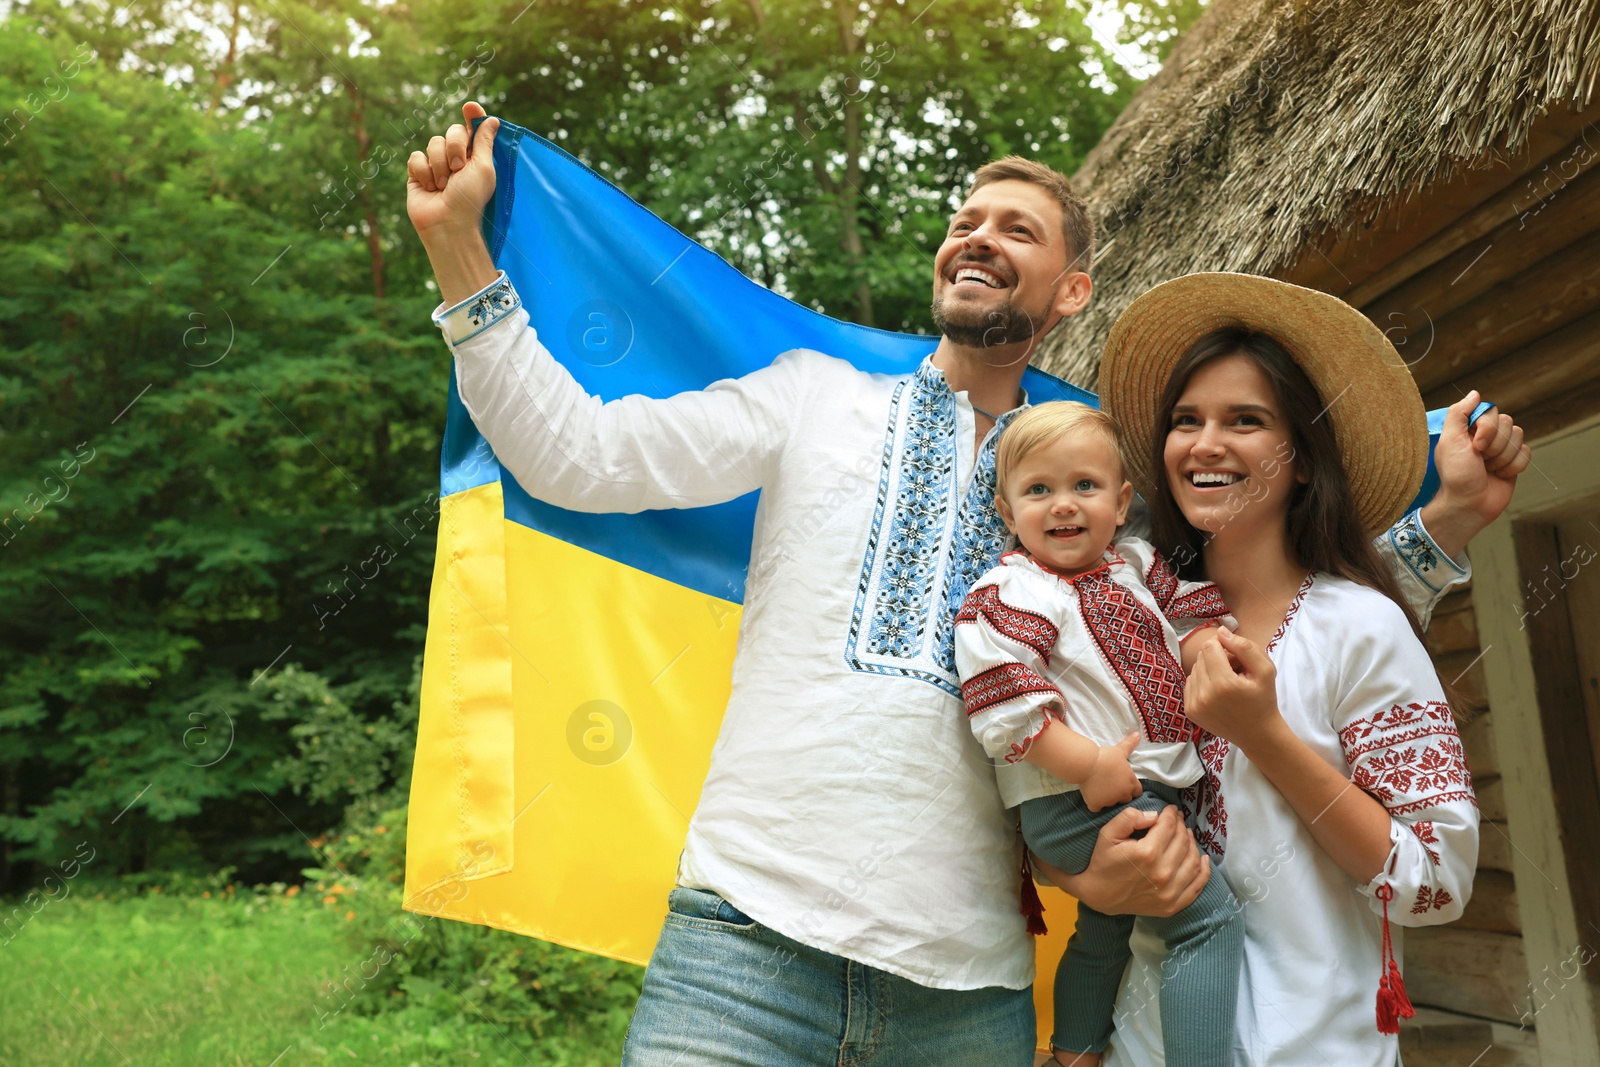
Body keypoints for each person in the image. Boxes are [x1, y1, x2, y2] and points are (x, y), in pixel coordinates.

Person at [404, 101, 1530, 1065]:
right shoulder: (811, 398)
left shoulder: (1108, 482)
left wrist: (1438, 529)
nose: (976, 237)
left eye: (1017, 227)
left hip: (972, 993)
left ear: (1070, 286)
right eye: (963, 221)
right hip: (743, 940)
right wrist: (462, 255)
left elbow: (1264, 624)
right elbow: (580, 457)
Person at [1096, 273, 1499, 1066]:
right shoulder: (1128, 619)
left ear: (1305, 461)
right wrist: (1096, 875)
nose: (1206, 443)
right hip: (1142, 1045)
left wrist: (1265, 735)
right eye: (1187, 420)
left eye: (1245, 420)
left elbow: (1434, 883)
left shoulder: (1361, 627)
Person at [954, 401, 1243, 1067]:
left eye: (1084, 486)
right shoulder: (1013, 593)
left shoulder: (1135, 564)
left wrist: (1207, 651)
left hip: (1126, 786)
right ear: (1006, 511)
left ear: (1120, 502)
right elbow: (1006, 704)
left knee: (1107, 925)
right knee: (1207, 920)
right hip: (1074, 790)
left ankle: (1075, 1051)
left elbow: (1190, 613)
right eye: (1038, 490)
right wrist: (1087, 766)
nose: (1064, 505)